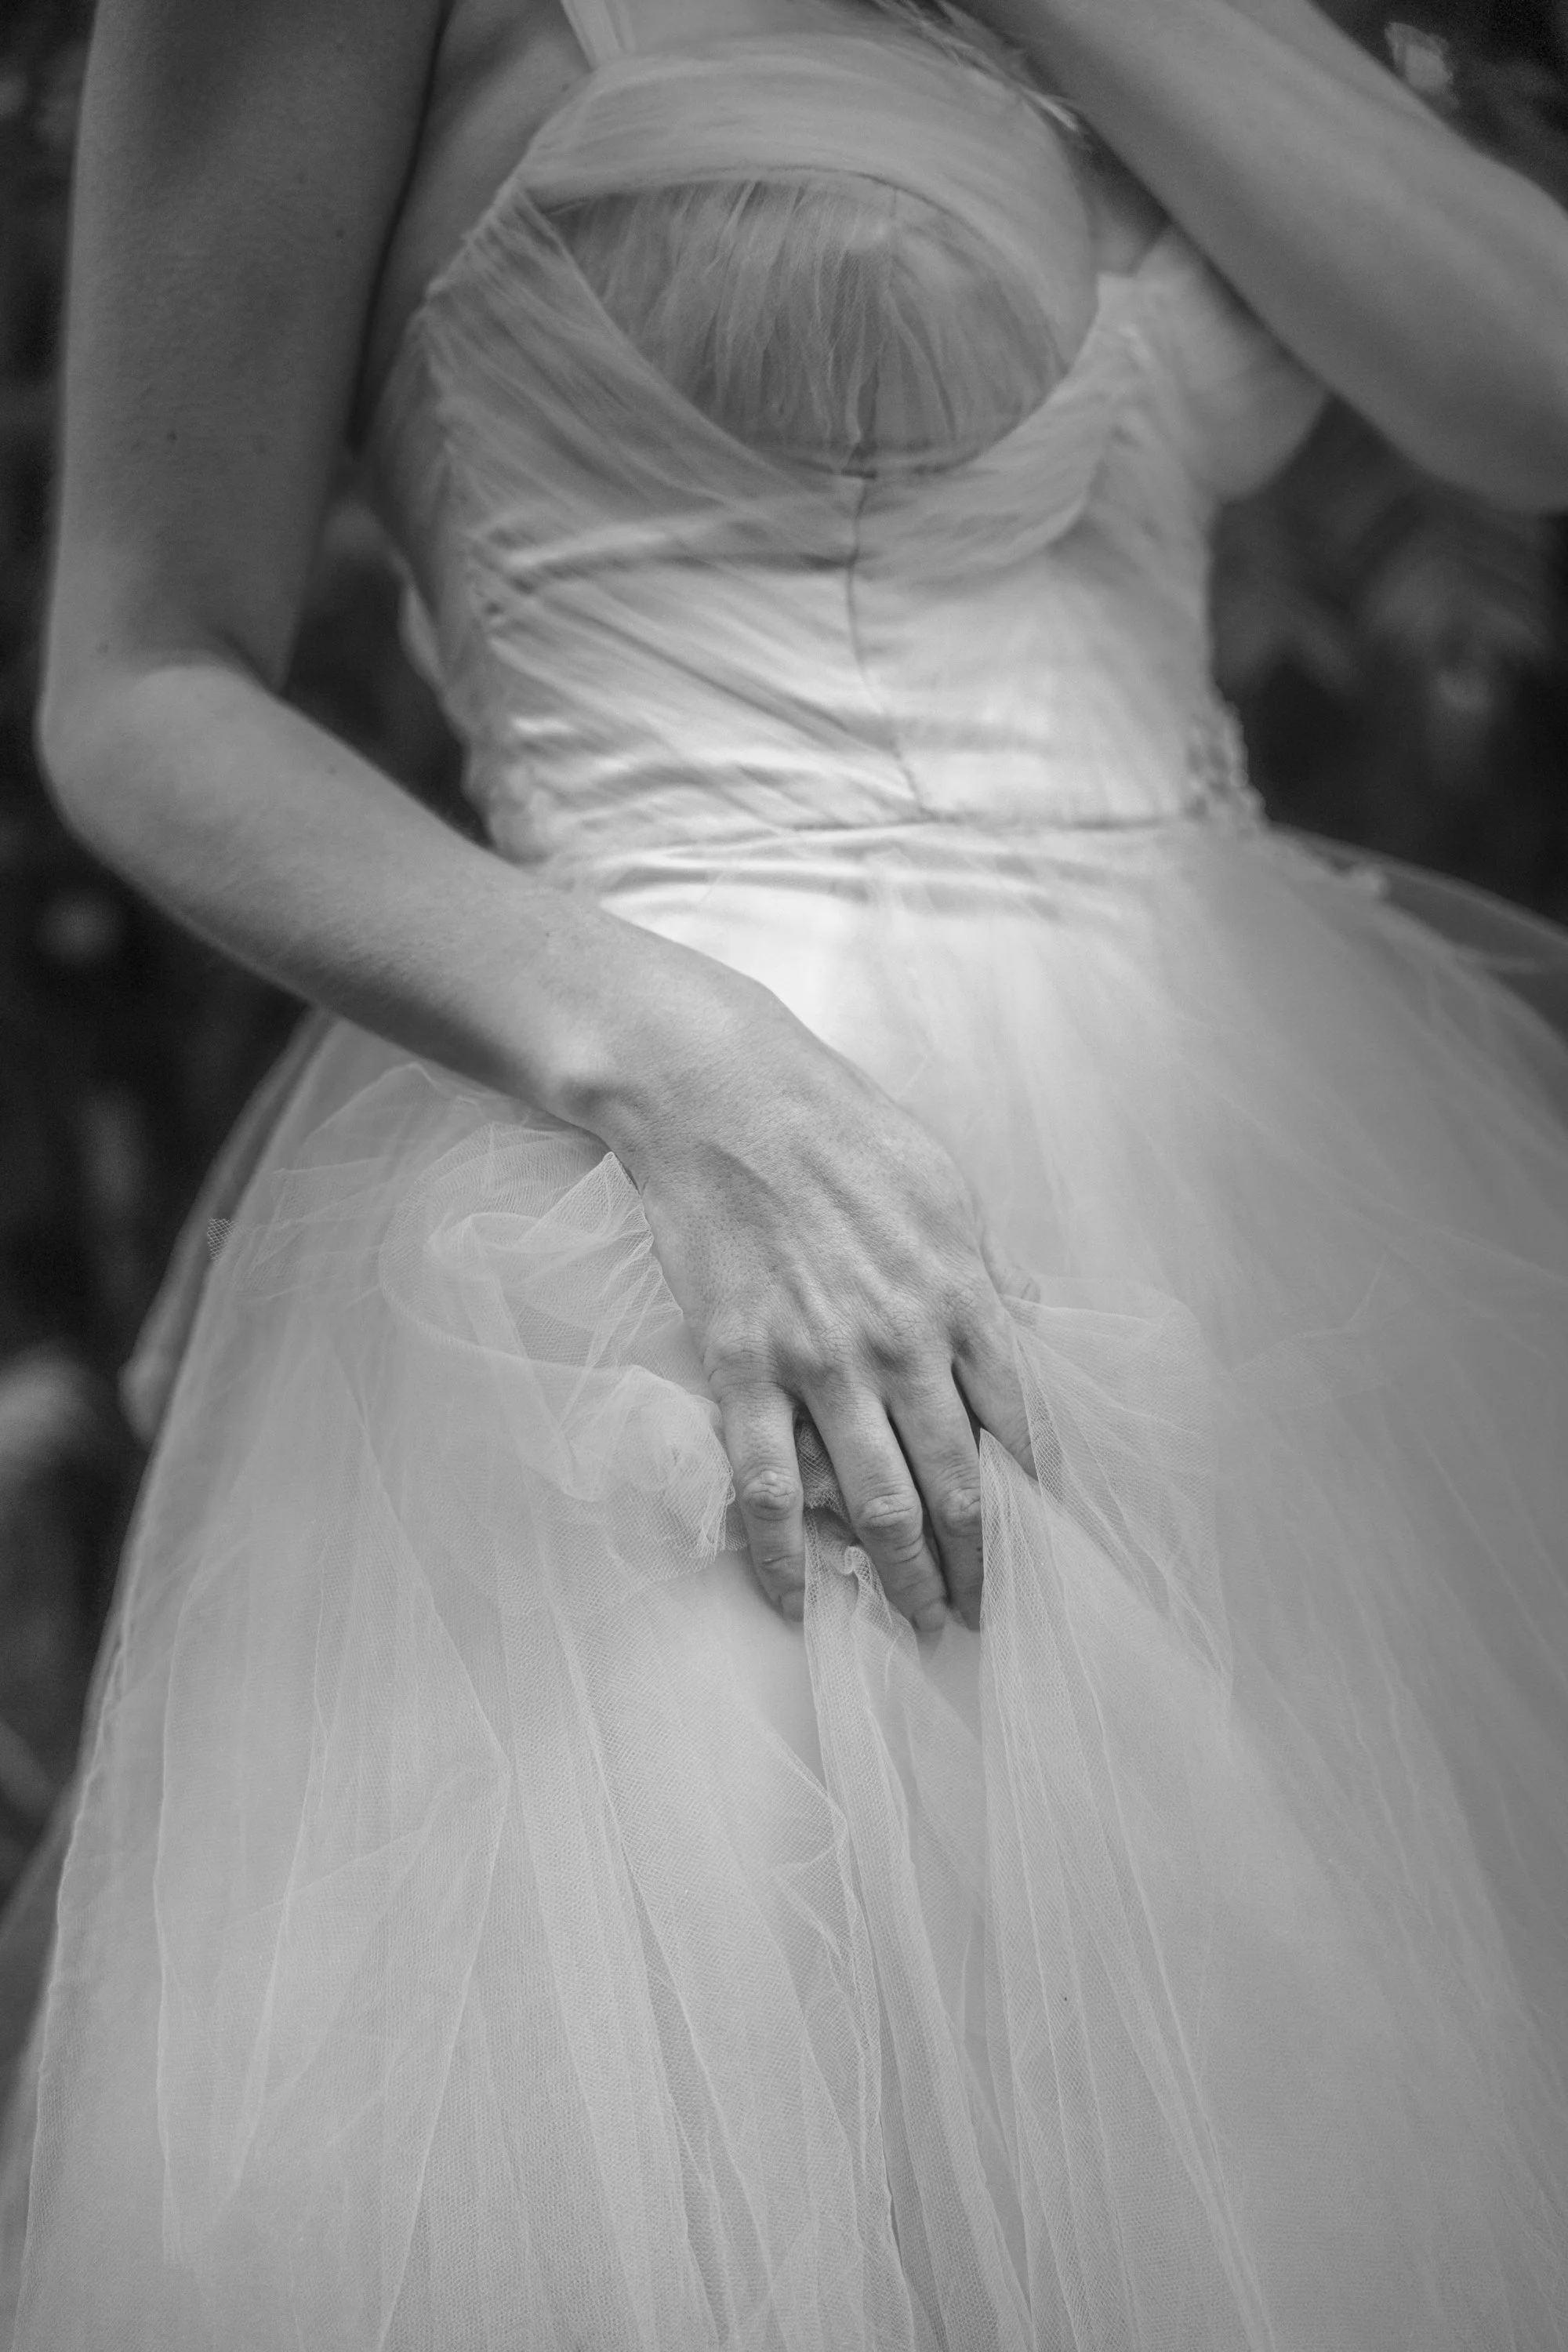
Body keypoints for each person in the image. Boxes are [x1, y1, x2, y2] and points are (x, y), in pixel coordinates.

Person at [4, 0, 1568, 2339]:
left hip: (1269, 1204)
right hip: (718, 1189)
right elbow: (142, 685)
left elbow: (1523, 386)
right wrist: (668, 1062)